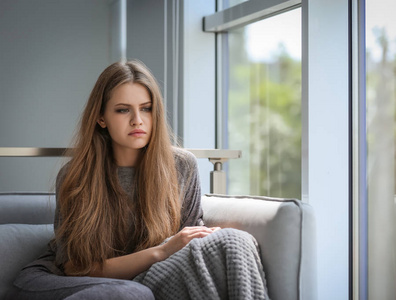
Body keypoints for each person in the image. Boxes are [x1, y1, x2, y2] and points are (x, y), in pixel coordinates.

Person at [8, 60, 269, 300]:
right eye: (123, 110)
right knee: (132, 294)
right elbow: (77, 268)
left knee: (237, 240)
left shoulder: (182, 166)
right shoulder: (77, 176)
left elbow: (189, 250)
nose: (137, 120)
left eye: (146, 109)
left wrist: (175, 251)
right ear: (101, 118)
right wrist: (162, 252)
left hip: (146, 277)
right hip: (62, 279)